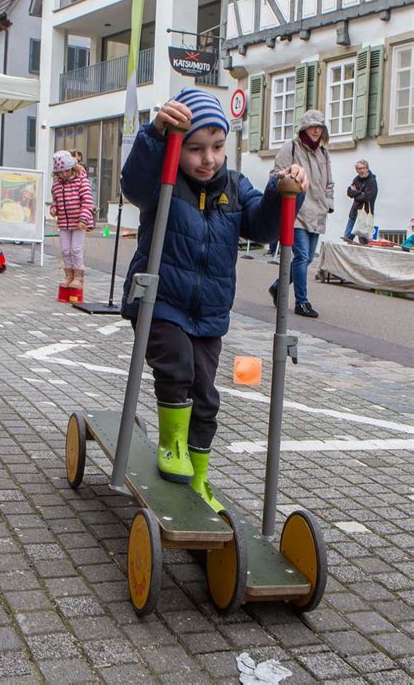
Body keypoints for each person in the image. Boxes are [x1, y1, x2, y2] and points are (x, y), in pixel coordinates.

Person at [120, 88, 308, 511]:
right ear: (177, 146)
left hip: (208, 312)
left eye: (217, 147)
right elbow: (134, 185)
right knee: (177, 367)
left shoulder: (236, 186)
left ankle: (200, 477)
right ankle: (171, 445)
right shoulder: (163, 178)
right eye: (196, 149)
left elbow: (263, 227)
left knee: (206, 396)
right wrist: (155, 134)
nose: (208, 159)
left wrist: (282, 191)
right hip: (160, 301)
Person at [268, 110, 334, 318]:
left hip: (317, 212)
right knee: (302, 255)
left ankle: (278, 286)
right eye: (312, 126)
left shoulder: (323, 152)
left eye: (320, 127)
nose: (316, 130)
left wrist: (328, 204)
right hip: (296, 211)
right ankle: (302, 302)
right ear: (304, 128)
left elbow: (329, 183)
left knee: (304, 261)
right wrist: (287, 180)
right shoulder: (292, 147)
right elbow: (276, 174)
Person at [50, 150, 94, 290]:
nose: (63, 175)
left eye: (66, 171)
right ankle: (68, 274)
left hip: (79, 223)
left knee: (75, 249)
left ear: (72, 169)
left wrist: (83, 219)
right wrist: (54, 208)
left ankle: (78, 277)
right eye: (60, 172)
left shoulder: (82, 182)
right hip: (64, 222)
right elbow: (55, 201)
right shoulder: (56, 185)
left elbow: (87, 201)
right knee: (65, 249)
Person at [342, 159, 378, 245]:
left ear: (367, 168)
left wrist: (356, 193)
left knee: (364, 242)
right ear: (357, 170)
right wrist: (360, 193)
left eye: (363, 168)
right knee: (347, 238)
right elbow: (349, 192)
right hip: (354, 212)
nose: (361, 170)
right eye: (359, 168)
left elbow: (366, 197)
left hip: (365, 215)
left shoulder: (371, 181)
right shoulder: (356, 179)